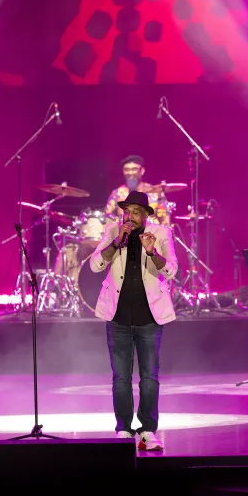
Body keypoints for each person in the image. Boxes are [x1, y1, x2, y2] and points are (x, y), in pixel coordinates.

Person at [90, 191, 178, 451]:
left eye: (136, 212)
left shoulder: (161, 233)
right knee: (121, 379)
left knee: (149, 378)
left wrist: (153, 252)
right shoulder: (112, 231)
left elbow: (171, 270)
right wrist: (116, 242)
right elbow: (95, 265)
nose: (130, 216)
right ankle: (124, 429)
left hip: (149, 317)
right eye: (127, 211)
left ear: (146, 215)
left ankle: (148, 431)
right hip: (117, 317)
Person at [105, 155, 170, 225]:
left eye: (134, 169)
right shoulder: (117, 193)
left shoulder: (156, 192)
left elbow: (165, 221)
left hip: (151, 230)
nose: (130, 173)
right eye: (126, 170)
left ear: (142, 171)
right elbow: (108, 218)